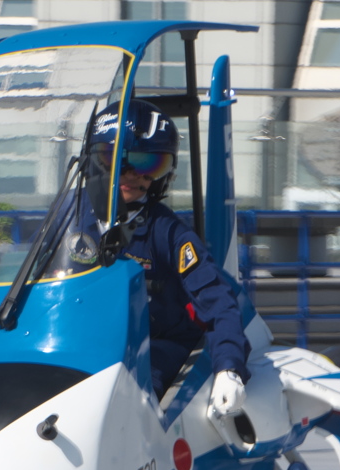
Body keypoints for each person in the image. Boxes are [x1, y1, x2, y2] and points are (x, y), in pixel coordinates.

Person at [85, 99, 250, 415]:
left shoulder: (169, 231)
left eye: (147, 164)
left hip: (151, 348)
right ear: (97, 161)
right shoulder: (68, 220)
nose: (133, 175)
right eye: (119, 160)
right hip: (84, 344)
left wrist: (229, 367)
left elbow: (218, 299)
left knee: (130, 406)